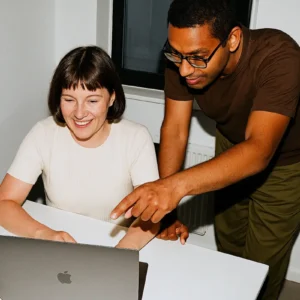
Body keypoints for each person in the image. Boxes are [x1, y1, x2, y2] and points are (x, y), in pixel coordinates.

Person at [111, 0, 300, 298]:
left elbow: (259, 149)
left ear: (233, 39)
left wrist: (174, 187)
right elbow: (174, 129)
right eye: (177, 55)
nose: (185, 69)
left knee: (262, 265)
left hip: (285, 164)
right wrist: (166, 207)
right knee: (229, 244)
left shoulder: (279, 56)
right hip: (229, 146)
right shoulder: (183, 51)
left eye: (198, 58)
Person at [0, 45, 188, 250]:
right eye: (69, 99)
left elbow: (151, 216)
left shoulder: (136, 139)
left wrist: (120, 253)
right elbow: (4, 202)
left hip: (118, 244)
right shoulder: (43, 134)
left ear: (112, 98)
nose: (79, 113)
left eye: (92, 100)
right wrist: (43, 234)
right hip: (60, 248)